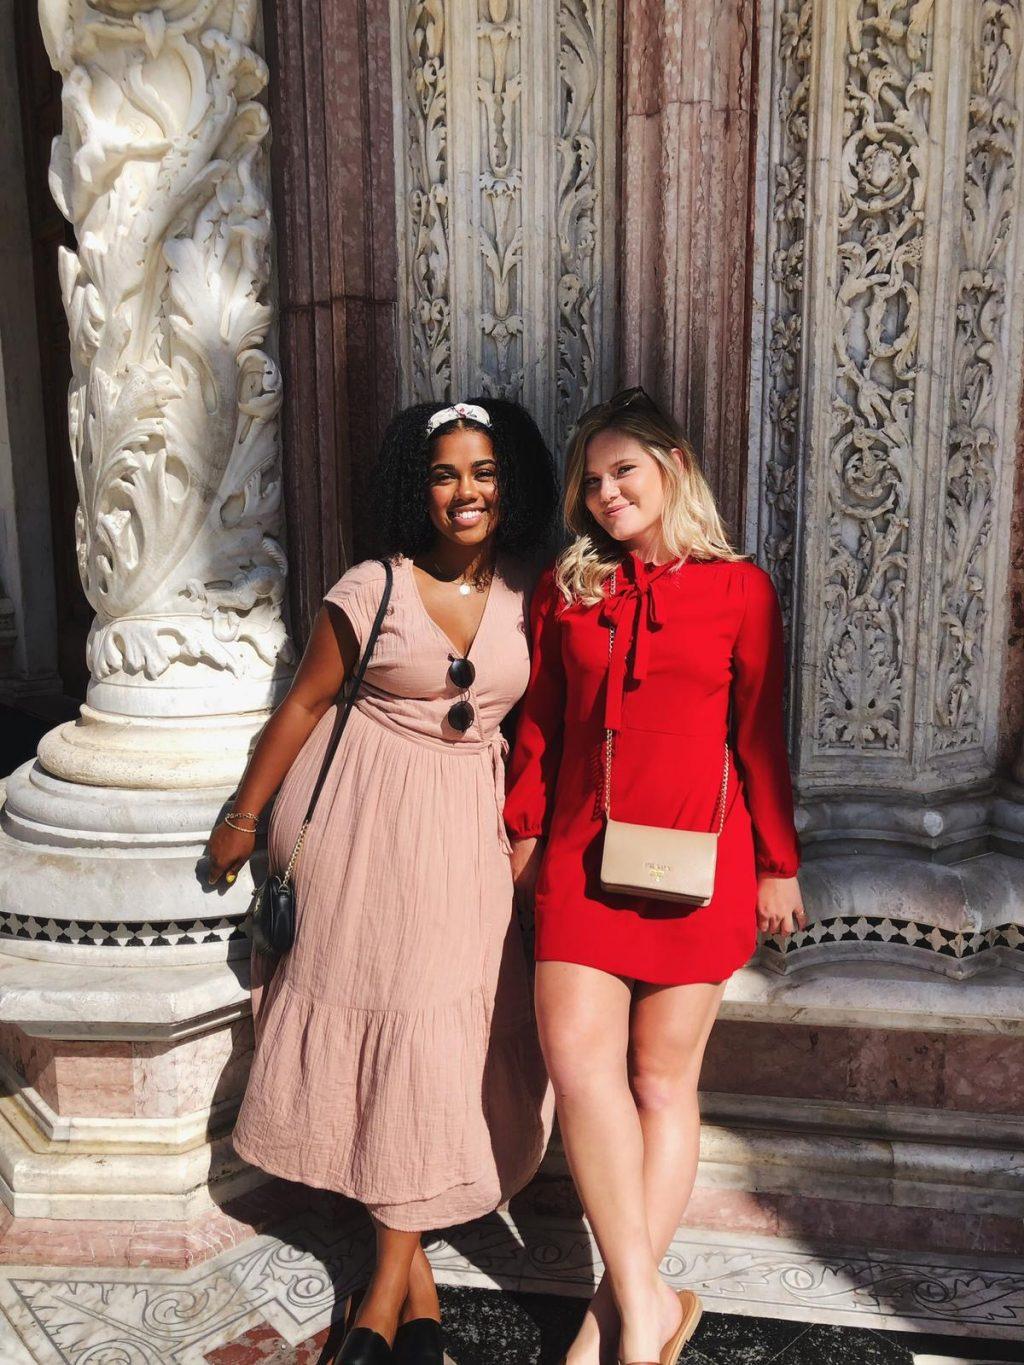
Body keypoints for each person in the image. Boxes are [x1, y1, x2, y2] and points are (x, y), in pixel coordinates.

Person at [207, 398, 557, 1365]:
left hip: (462, 840)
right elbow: (305, 703)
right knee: (385, 1035)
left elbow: (545, 727)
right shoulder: (372, 586)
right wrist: (240, 818)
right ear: (419, 485)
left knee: (433, 1054)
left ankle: (387, 1296)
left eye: (483, 472)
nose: (466, 492)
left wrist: (531, 835)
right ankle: (399, 1303)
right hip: (363, 833)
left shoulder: (536, 590)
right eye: (446, 473)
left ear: (507, 481)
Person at [504, 388, 805, 1365]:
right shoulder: (569, 590)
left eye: (622, 471)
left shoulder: (739, 591)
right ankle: (646, 1304)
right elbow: (540, 727)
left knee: (660, 1082)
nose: (604, 495)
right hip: (580, 861)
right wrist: (520, 835)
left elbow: (758, 739)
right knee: (579, 1070)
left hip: (701, 863)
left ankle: (612, 1326)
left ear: (673, 468)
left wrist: (776, 865)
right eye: (589, 482)